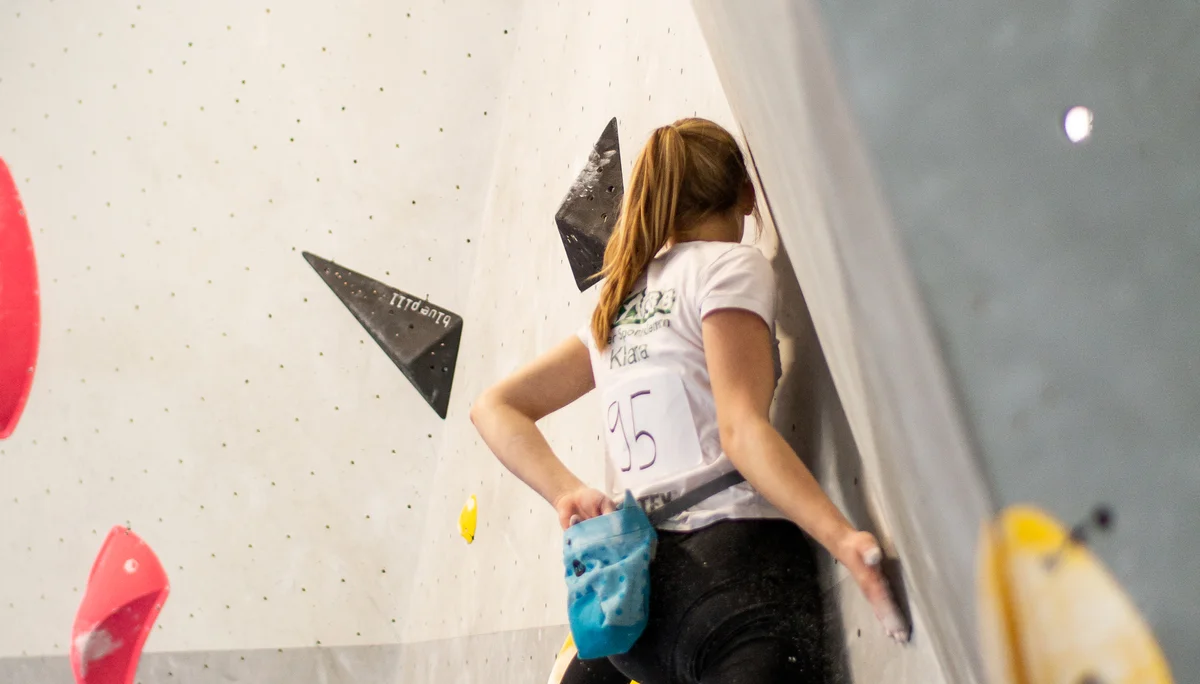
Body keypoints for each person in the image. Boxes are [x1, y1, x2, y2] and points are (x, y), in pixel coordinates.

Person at [470, 118, 907, 684]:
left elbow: (493, 406)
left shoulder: (618, 306)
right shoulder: (729, 266)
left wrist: (568, 492)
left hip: (637, 608)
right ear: (747, 196)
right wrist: (846, 541)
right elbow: (741, 431)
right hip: (731, 576)